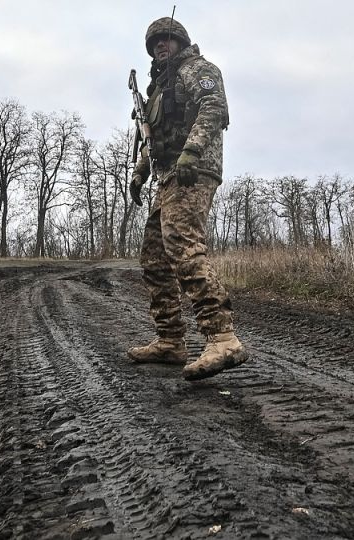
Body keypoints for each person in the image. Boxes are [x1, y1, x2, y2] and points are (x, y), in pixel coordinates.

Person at [127, 16, 248, 381]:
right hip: (167, 178)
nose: (161, 46)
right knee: (153, 257)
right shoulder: (157, 89)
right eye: (155, 43)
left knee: (183, 244)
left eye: (166, 40)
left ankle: (222, 337)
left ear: (180, 41)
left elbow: (214, 107)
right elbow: (154, 139)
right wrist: (139, 172)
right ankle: (170, 340)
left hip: (194, 171)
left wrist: (192, 152)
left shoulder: (197, 69)